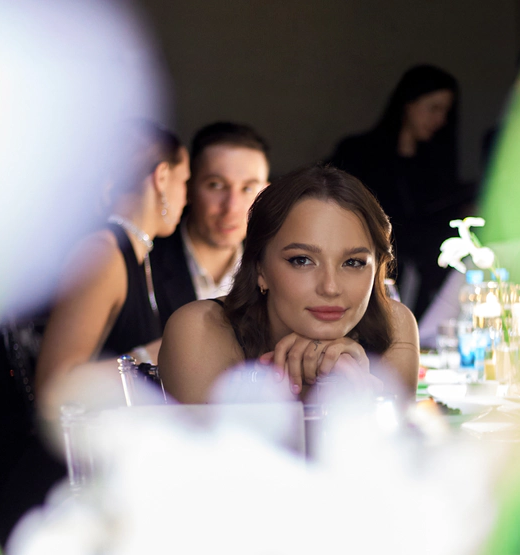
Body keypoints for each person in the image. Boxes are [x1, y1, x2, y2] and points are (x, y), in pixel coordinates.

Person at [159, 165, 419, 404]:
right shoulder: (200, 329)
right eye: (302, 260)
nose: (330, 287)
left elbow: (392, 439)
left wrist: (348, 382)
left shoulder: (394, 326)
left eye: (353, 262)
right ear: (259, 268)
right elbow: (213, 443)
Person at [35, 124, 189, 413]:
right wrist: (149, 355)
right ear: (161, 177)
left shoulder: (140, 256)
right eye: (184, 182)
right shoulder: (103, 255)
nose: (186, 197)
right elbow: (54, 387)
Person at [328, 64, 474, 321]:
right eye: (434, 108)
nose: (440, 120)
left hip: (418, 284)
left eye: (445, 112)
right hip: (363, 274)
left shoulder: (434, 165)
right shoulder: (358, 153)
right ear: (409, 103)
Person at [150, 122, 270, 327]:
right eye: (216, 185)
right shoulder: (145, 262)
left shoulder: (272, 268)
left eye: (248, 189)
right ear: (188, 188)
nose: (231, 207)